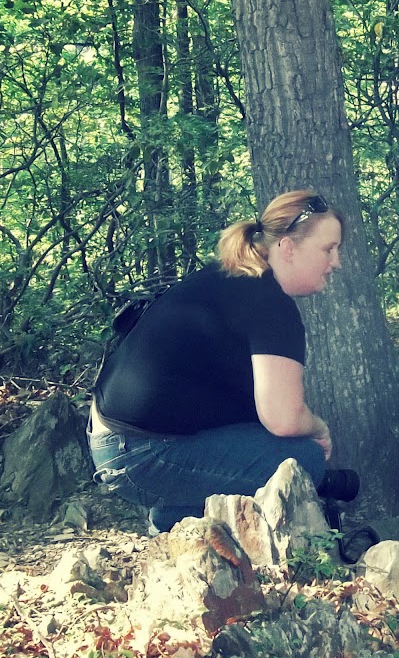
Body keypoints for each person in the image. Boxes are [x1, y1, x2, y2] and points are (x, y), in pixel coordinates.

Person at [88, 190, 344, 532]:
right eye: (329, 249)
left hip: (117, 442)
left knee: (271, 443)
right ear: (287, 248)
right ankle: (178, 519)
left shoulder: (229, 278)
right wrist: (320, 429)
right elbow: (284, 419)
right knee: (304, 459)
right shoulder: (269, 303)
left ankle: (181, 521)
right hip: (137, 453)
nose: (336, 262)